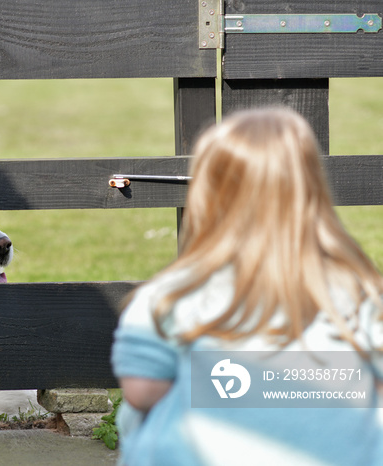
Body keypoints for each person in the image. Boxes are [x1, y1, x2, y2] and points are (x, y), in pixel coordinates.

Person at [111, 107, 383, 465]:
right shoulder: (361, 290)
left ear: (207, 195)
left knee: (135, 419)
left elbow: (141, 390)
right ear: (312, 190)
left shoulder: (171, 295)